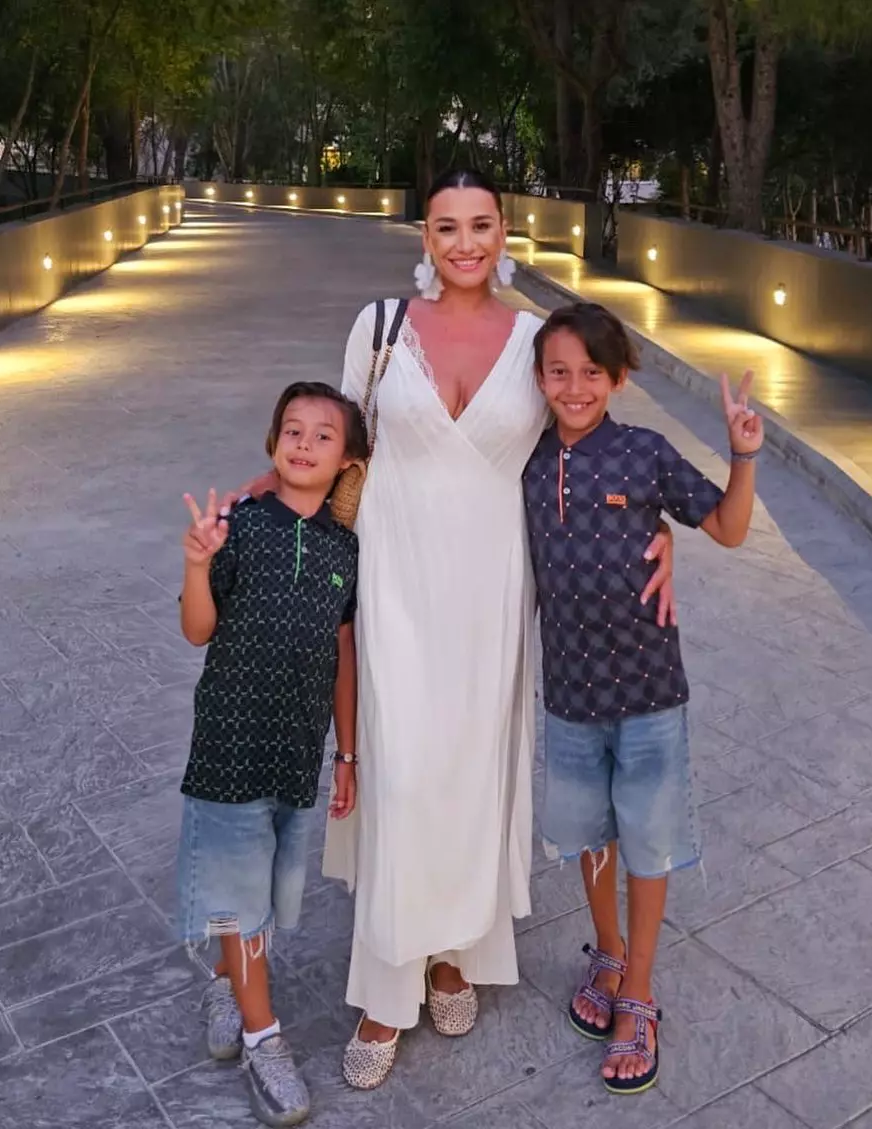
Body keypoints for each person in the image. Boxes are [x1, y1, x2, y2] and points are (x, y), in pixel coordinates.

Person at [228, 169, 675, 1090]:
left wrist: (657, 527)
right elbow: (336, 442)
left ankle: (453, 955)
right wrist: (260, 497)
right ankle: (387, 987)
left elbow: (588, 436)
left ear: (503, 232)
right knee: (403, 773)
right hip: (394, 574)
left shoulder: (536, 339)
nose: (464, 243)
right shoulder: (380, 326)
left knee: (473, 773)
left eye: (480, 225)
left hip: (495, 585)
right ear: (425, 237)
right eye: (445, 227)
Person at [523, 302, 763, 1095]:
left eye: (592, 372)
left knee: (649, 841)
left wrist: (742, 454)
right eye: (559, 372)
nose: (575, 387)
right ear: (538, 379)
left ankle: (640, 988)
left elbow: (727, 526)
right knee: (590, 834)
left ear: (619, 377)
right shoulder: (525, 463)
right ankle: (608, 951)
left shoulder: (644, 453)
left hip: (649, 689)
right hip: (570, 692)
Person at [176, 381, 366, 1126]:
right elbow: (198, 630)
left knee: (262, 889)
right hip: (229, 741)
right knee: (240, 890)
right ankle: (264, 1037)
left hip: (296, 749)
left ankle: (226, 984)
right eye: (293, 429)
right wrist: (198, 564)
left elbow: (343, 654)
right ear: (272, 443)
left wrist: (346, 754)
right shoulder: (241, 525)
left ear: (347, 460)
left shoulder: (344, 549)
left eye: (324, 435)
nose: (304, 444)